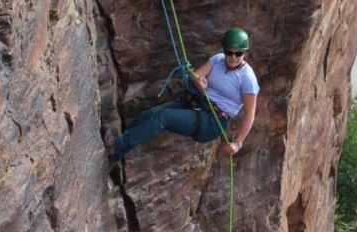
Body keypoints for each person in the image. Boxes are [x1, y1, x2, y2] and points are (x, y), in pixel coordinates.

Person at [109, 28, 259, 160]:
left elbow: (249, 114)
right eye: (229, 52)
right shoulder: (218, 60)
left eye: (238, 53)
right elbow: (196, 76)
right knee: (147, 115)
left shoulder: (247, 79)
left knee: (163, 117)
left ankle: (116, 147)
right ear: (224, 49)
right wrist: (199, 81)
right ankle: (119, 143)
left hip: (212, 120)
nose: (233, 57)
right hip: (196, 103)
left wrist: (238, 143)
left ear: (244, 53)